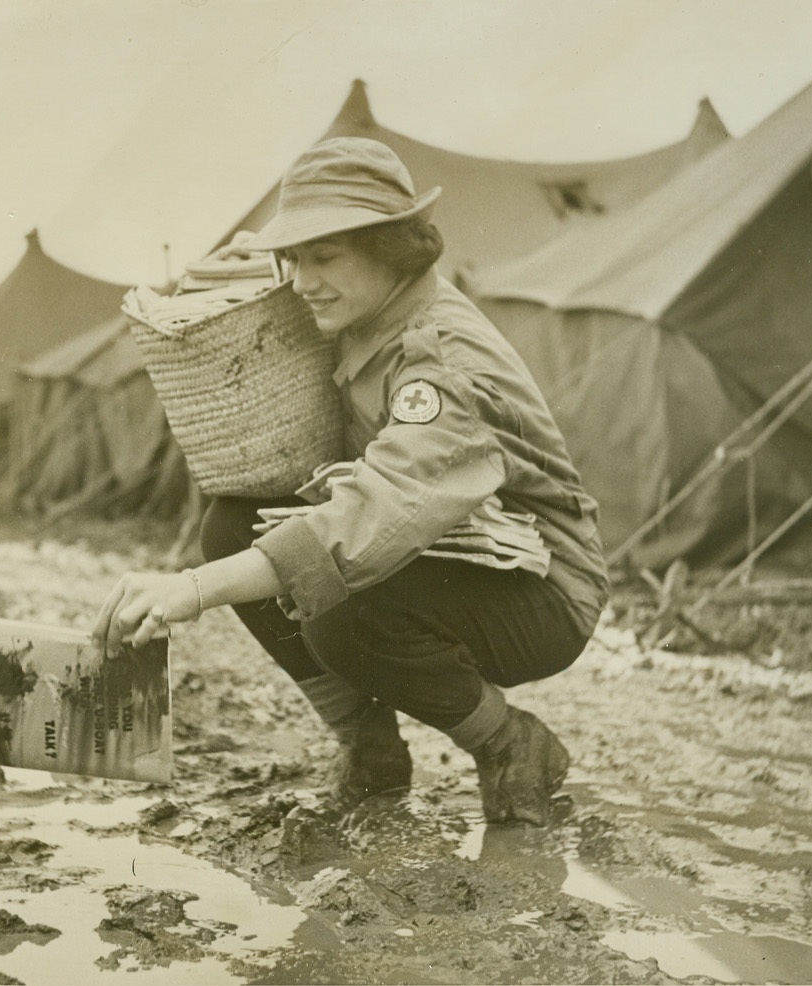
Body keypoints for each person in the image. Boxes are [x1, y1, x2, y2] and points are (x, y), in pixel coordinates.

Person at [94, 137, 609, 825]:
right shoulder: (358, 311)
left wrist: (191, 590)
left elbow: (374, 516)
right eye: (295, 258)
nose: (302, 280)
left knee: (338, 607)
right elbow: (237, 277)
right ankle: (370, 749)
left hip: (545, 587)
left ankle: (511, 744)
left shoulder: (443, 356)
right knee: (230, 523)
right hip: (459, 547)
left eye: (325, 255)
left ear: (391, 248)